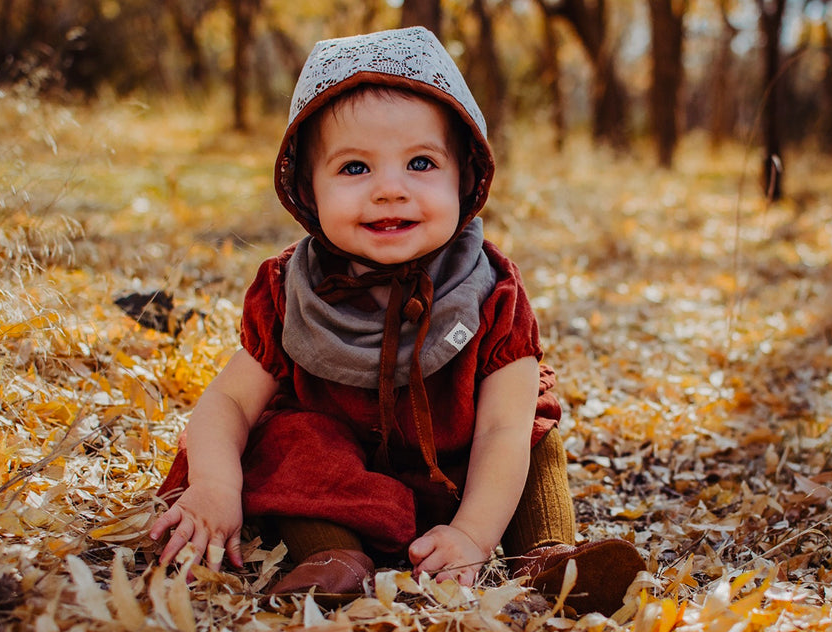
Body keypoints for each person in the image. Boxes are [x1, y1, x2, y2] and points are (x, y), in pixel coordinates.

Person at [148, 26, 645, 616]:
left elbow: (500, 433)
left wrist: (473, 536)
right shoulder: (290, 294)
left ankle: (548, 558)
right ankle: (332, 558)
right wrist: (213, 484)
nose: (389, 190)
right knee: (289, 441)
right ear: (307, 190)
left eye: (419, 163)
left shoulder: (491, 293)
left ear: (464, 176)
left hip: (470, 472)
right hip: (342, 483)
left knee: (532, 436)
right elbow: (227, 404)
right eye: (354, 168)